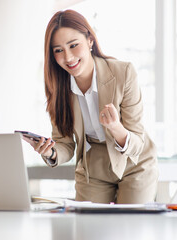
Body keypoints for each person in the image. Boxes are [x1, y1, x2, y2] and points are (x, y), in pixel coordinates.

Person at [23, 9, 158, 204]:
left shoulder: (123, 73)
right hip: (93, 167)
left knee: (130, 227)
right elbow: (66, 144)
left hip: (134, 163)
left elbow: (137, 139)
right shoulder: (58, 89)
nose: (68, 57)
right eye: (58, 50)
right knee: (88, 229)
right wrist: (50, 152)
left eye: (73, 45)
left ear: (90, 40)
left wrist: (115, 128)